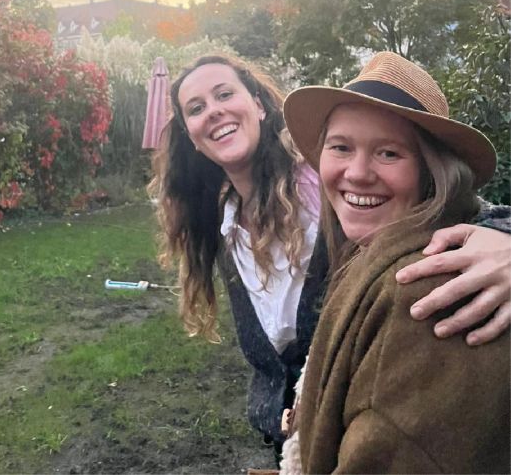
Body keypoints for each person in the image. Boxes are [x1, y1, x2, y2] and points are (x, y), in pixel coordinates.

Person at [149, 53, 510, 459]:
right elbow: (274, 360)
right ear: (190, 136)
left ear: (259, 105)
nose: (214, 111)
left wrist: (505, 239)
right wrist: (276, 413)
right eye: (196, 108)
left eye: (224, 94)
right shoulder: (224, 223)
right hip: (294, 446)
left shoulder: (326, 191)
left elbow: (454, 208)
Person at [280, 51, 509, 473]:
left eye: (388, 153)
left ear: (432, 171)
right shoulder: (368, 251)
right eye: (340, 147)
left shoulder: (430, 288)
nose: (357, 173)